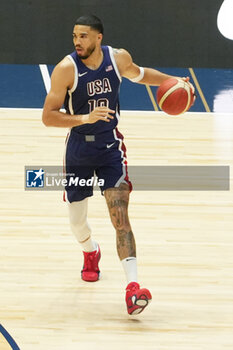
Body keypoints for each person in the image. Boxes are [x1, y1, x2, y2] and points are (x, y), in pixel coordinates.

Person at [42, 15, 194, 315]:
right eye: (74, 36)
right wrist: (85, 118)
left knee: (120, 215)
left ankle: (133, 288)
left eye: (83, 36)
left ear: (98, 38)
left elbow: (140, 74)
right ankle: (90, 252)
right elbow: (48, 116)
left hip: (111, 148)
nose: (77, 41)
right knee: (76, 221)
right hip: (78, 152)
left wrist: (171, 81)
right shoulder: (66, 69)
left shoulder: (118, 57)